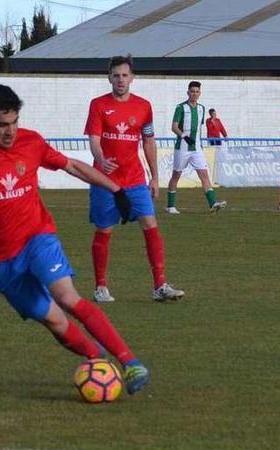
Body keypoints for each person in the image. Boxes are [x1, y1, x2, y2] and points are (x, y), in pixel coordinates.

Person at [0, 84, 150, 395]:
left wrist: (116, 190)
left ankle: (130, 361)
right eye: (1, 125)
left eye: (14, 122)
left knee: (67, 297)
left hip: (37, 236)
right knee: (55, 321)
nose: (10, 131)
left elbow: (74, 167)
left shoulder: (31, 142)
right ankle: (98, 359)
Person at [84, 54, 184, 303]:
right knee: (104, 230)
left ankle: (160, 286)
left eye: (125, 75)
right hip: (105, 180)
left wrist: (154, 176)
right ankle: (101, 287)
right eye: (116, 75)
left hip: (135, 179)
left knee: (151, 226)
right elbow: (94, 140)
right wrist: (101, 158)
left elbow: (148, 141)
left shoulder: (143, 106)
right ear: (109, 77)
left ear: (132, 78)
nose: (120, 80)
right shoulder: (98, 105)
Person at [166, 81, 227, 214]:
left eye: (197, 91)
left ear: (200, 93)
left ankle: (212, 203)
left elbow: (198, 128)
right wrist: (184, 136)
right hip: (182, 147)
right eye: (192, 91)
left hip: (197, 148)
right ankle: (170, 206)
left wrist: (198, 144)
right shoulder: (180, 107)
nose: (194, 94)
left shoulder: (201, 108)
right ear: (188, 92)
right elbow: (174, 126)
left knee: (204, 175)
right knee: (176, 175)